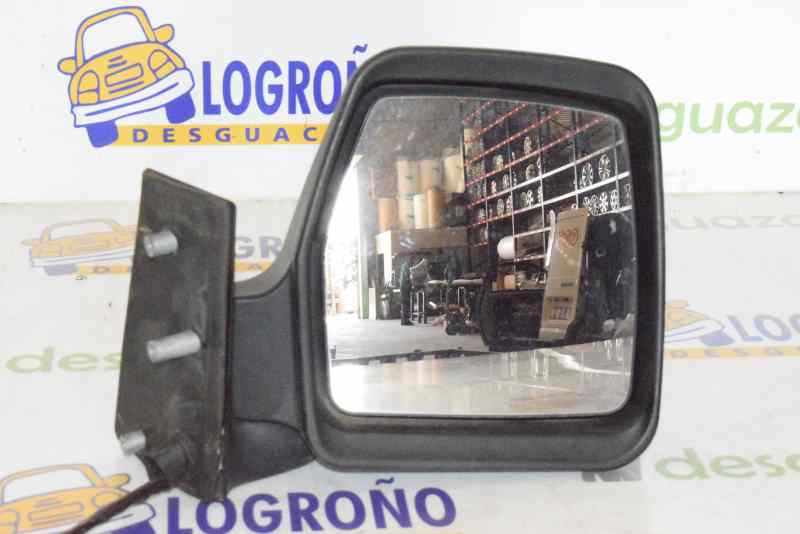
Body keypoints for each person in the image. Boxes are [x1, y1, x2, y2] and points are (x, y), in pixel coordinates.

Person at [399, 256, 413, 326]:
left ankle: (405, 320)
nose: (412, 262)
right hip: (404, 287)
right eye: (411, 260)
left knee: (405, 304)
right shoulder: (406, 266)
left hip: (405, 286)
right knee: (405, 304)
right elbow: (407, 276)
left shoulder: (405, 266)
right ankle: (405, 321)